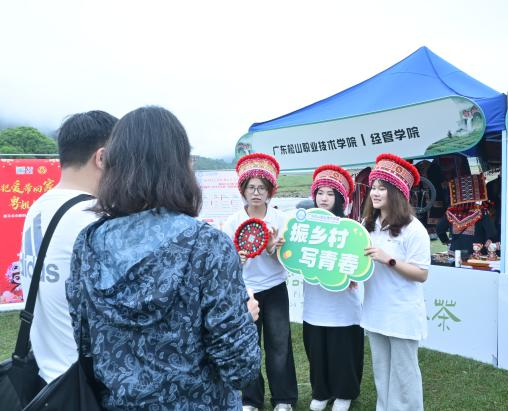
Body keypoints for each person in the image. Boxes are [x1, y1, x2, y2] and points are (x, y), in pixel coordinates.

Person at [66, 106, 261, 409]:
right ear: (180, 166)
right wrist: (244, 317)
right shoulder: (207, 245)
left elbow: (85, 344)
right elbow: (240, 367)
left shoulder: (88, 242)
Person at [20, 110, 117, 386]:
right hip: (83, 386)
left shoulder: (38, 206)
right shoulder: (93, 219)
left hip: (47, 381)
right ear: (101, 158)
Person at [223, 153, 298, 411]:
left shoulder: (280, 219)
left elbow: (287, 260)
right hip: (245, 292)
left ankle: (284, 399)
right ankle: (250, 399)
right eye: (251, 187)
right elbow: (226, 264)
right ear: (243, 190)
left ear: (270, 192)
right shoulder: (232, 222)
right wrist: (238, 259)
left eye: (261, 188)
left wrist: (272, 249)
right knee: (248, 344)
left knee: (279, 344)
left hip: (275, 287)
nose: (256, 193)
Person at [361, 153, 430, 411]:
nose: (375, 193)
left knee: (404, 375)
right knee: (381, 371)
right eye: (373, 187)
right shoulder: (367, 224)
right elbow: (360, 260)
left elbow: (421, 273)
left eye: (382, 188)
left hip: (401, 312)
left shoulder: (414, 229)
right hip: (375, 309)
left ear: (397, 192)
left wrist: (388, 259)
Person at [303, 165, 363, 411]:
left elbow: (360, 261)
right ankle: (321, 391)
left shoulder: (350, 227)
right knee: (317, 347)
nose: (324, 198)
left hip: (342, 302)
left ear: (340, 198)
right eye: (320, 193)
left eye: (330, 193)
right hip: (314, 300)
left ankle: (344, 392)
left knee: (342, 347)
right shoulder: (304, 226)